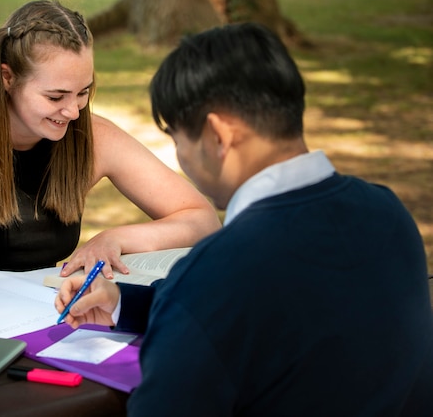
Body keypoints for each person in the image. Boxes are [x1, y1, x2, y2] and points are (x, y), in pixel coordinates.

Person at [55, 22, 433, 416]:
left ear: (218, 135)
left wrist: (183, 302)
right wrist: (122, 303)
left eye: (176, 137)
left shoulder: (221, 272)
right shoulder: (389, 213)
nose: (180, 158)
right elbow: (286, 310)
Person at [0, 0, 220, 333]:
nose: (74, 112)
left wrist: (115, 238)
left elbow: (200, 218)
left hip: (41, 311)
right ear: (7, 78)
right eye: (55, 97)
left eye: (83, 92)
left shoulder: (92, 136)